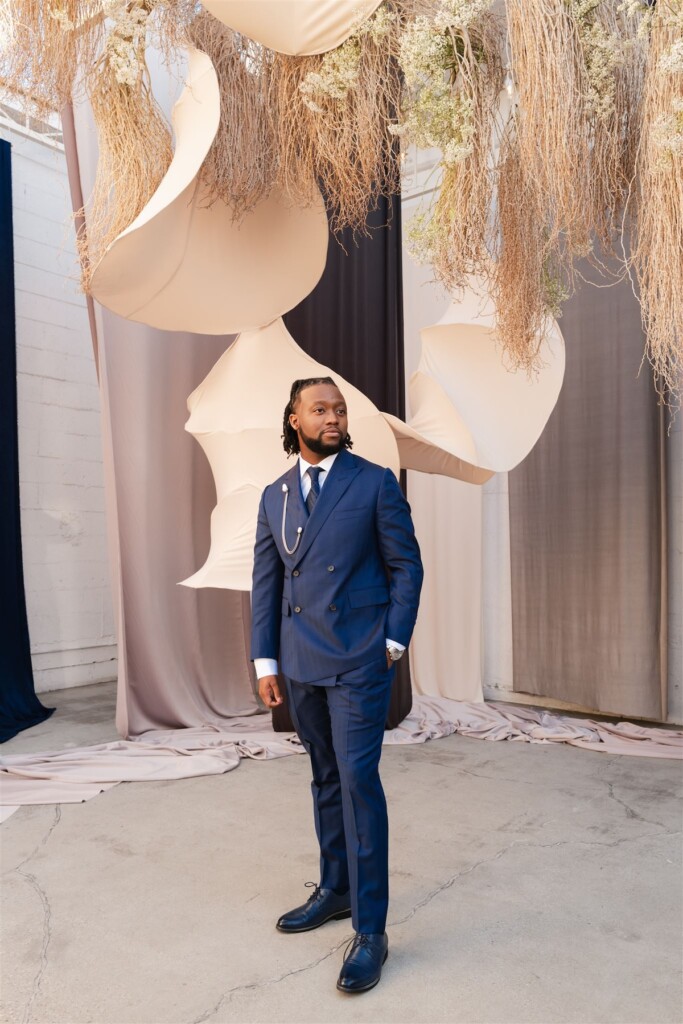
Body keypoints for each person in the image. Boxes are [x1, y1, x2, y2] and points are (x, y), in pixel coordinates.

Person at [250, 376, 423, 994]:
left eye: (339, 408)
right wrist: (265, 664)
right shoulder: (274, 495)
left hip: (358, 660)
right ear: (294, 418)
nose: (333, 416)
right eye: (319, 408)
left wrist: (393, 641)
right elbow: (266, 583)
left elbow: (407, 565)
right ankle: (336, 890)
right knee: (324, 776)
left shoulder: (372, 481)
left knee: (357, 783)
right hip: (299, 663)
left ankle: (372, 930)